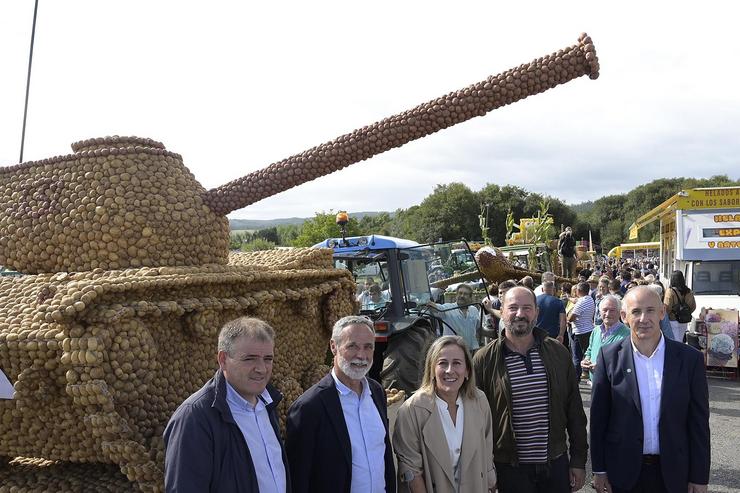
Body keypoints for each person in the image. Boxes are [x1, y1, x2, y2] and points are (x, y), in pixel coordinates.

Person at [590, 286, 710, 493]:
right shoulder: (608, 357)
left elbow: (698, 423)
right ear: (624, 316)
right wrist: (599, 469)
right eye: (636, 312)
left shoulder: (690, 359)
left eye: (650, 310)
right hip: (623, 473)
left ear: (662, 312)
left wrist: (699, 477)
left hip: (674, 474)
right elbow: (599, 419)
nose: (643, 318)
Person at [473, 286, 588, 493]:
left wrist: (578, 460)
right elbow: (476, 421)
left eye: (527, 308)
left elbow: (575, 411)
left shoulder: (558, 353)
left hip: (555, 463)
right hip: (509, 469)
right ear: (502, 311)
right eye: (513, 307)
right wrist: (485, 468)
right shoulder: (484, 359)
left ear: (536, 312)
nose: (520, 314)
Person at [163, 317, 290, 493]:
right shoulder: (195, 417)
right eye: (250, 359)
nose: (261, 368)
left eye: (268, 359)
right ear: (223, 359)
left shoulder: (267, 406)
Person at [285, 315, 396, 493]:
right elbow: (298, 479)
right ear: (333, 347)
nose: (361, 355)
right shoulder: (309, 407)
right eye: (352, 346)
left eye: (368, 347)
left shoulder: (376, 392)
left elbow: (383, 456)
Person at [393, 336, 496, 492]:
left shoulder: (479, 401)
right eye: (442, 363)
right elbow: (411, 470)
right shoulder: (411, 410)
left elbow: (487, 449)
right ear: (432, 369)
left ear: (467, 370)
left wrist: (490, 482)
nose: (449, 370)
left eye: (457, 363)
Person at [580, 295, 630, 383]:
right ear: (599, 312)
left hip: (614, 385)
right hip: (595, 382)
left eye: (612, 310)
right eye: (605, 310)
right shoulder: (596, 330)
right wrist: (586, 360)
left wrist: (602, 366)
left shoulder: (627, 335)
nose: (607, 314)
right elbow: (590, 350)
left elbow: (627, 362)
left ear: (620, 313)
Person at [427, 284, 481, 352]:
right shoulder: (448, 308)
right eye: (460, 293)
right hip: (452, 351)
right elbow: (436, 308)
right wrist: (426, 301)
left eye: (465, 294)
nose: (462, 296)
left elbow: (478, 329)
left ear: (470, 297)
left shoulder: (474, 310)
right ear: (456, 295)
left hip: (471, 350)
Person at [567, 282, 595, 383]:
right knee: (587, 354)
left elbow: (571, 318)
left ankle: (575, 379)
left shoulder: (581, 302)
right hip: (588, 329)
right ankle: (588, 375)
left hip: (579, 332)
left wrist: (568, 317)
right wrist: (569, 298)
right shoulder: (590, 299)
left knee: (576, 357)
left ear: (578, 291)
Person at [664, 270, 696, 343]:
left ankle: (677, 353)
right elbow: (693, 306)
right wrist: (685, 312)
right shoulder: (688, 291)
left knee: (674, 341)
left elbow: (667, 307)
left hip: (673, 320)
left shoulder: (670, 291)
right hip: (684, 320)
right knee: (681, 339)